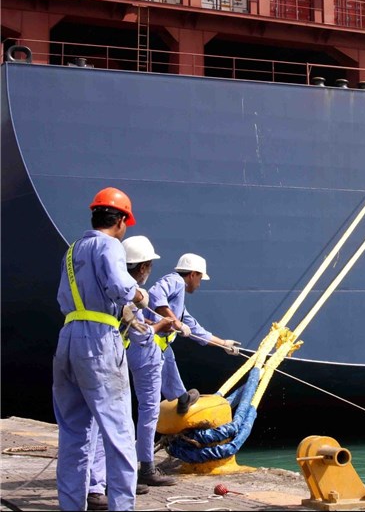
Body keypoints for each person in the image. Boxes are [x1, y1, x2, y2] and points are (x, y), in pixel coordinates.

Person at [53, 187, 147, 511]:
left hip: (67, 337)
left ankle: (70, 506)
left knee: (73, 434)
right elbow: (120, 287)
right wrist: (140, 296)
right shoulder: (110, 245)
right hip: (98, 341)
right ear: (120, 220)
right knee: (119, 434)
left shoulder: (72, 250)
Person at [119, 235, 186, 486]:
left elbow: (131, 320)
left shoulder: (116, 284)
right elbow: (141, 333)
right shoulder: (134, 290)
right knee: (148, 410)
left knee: (118, 413)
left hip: (119, 354)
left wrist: (149, 321)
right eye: (149, 266)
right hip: (142, 355)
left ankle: (111, 473)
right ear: (143, 267)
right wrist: (160, 325)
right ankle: (145, 468)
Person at [147, 253, 241, 420]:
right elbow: (155, 294)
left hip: (157, 348)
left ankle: (183, 398)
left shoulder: (179, 307)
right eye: (200, 278)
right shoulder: (176, 281)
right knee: (149, 401)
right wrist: (177, 323)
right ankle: (181, 399)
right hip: (147, 346)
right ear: (192, 274)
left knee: (168, 361)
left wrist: (224, 344)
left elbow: (197, 331)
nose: (199, 284)